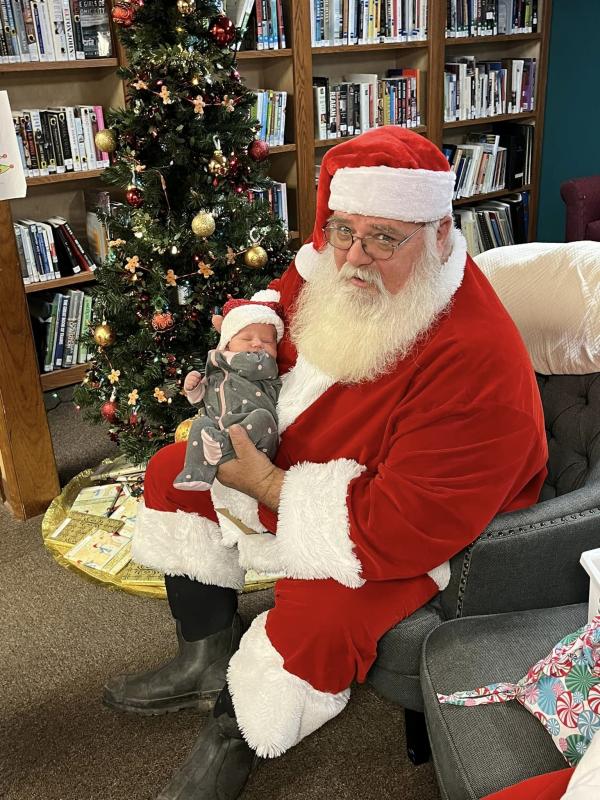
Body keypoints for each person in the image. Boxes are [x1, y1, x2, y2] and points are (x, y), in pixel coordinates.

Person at [103, 125, 548, 800]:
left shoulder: (475, 358)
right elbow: (277, 309)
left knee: (320, 615)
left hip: (424, 523)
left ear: (436, 235)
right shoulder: (331, 262)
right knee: (174, 472)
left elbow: (405, 524)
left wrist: (269, 484)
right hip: (324, 465)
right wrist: (247, 343)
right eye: (344, 230)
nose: (354, 257)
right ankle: (203, 658)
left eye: (384, 237)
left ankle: (237, 733)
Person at [172, 298, 283, 491]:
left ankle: (224, 445)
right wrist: (195, 388)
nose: (257, 344)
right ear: (227, 343)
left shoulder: (265, 366)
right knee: (201, 423)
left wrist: (221, 357)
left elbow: (252, 364)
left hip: (256, 440)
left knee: (263, 418)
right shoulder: (216, 374)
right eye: (247, 339)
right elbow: (203, 401)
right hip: (217, 432)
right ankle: (196, 472)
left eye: (267, 341)